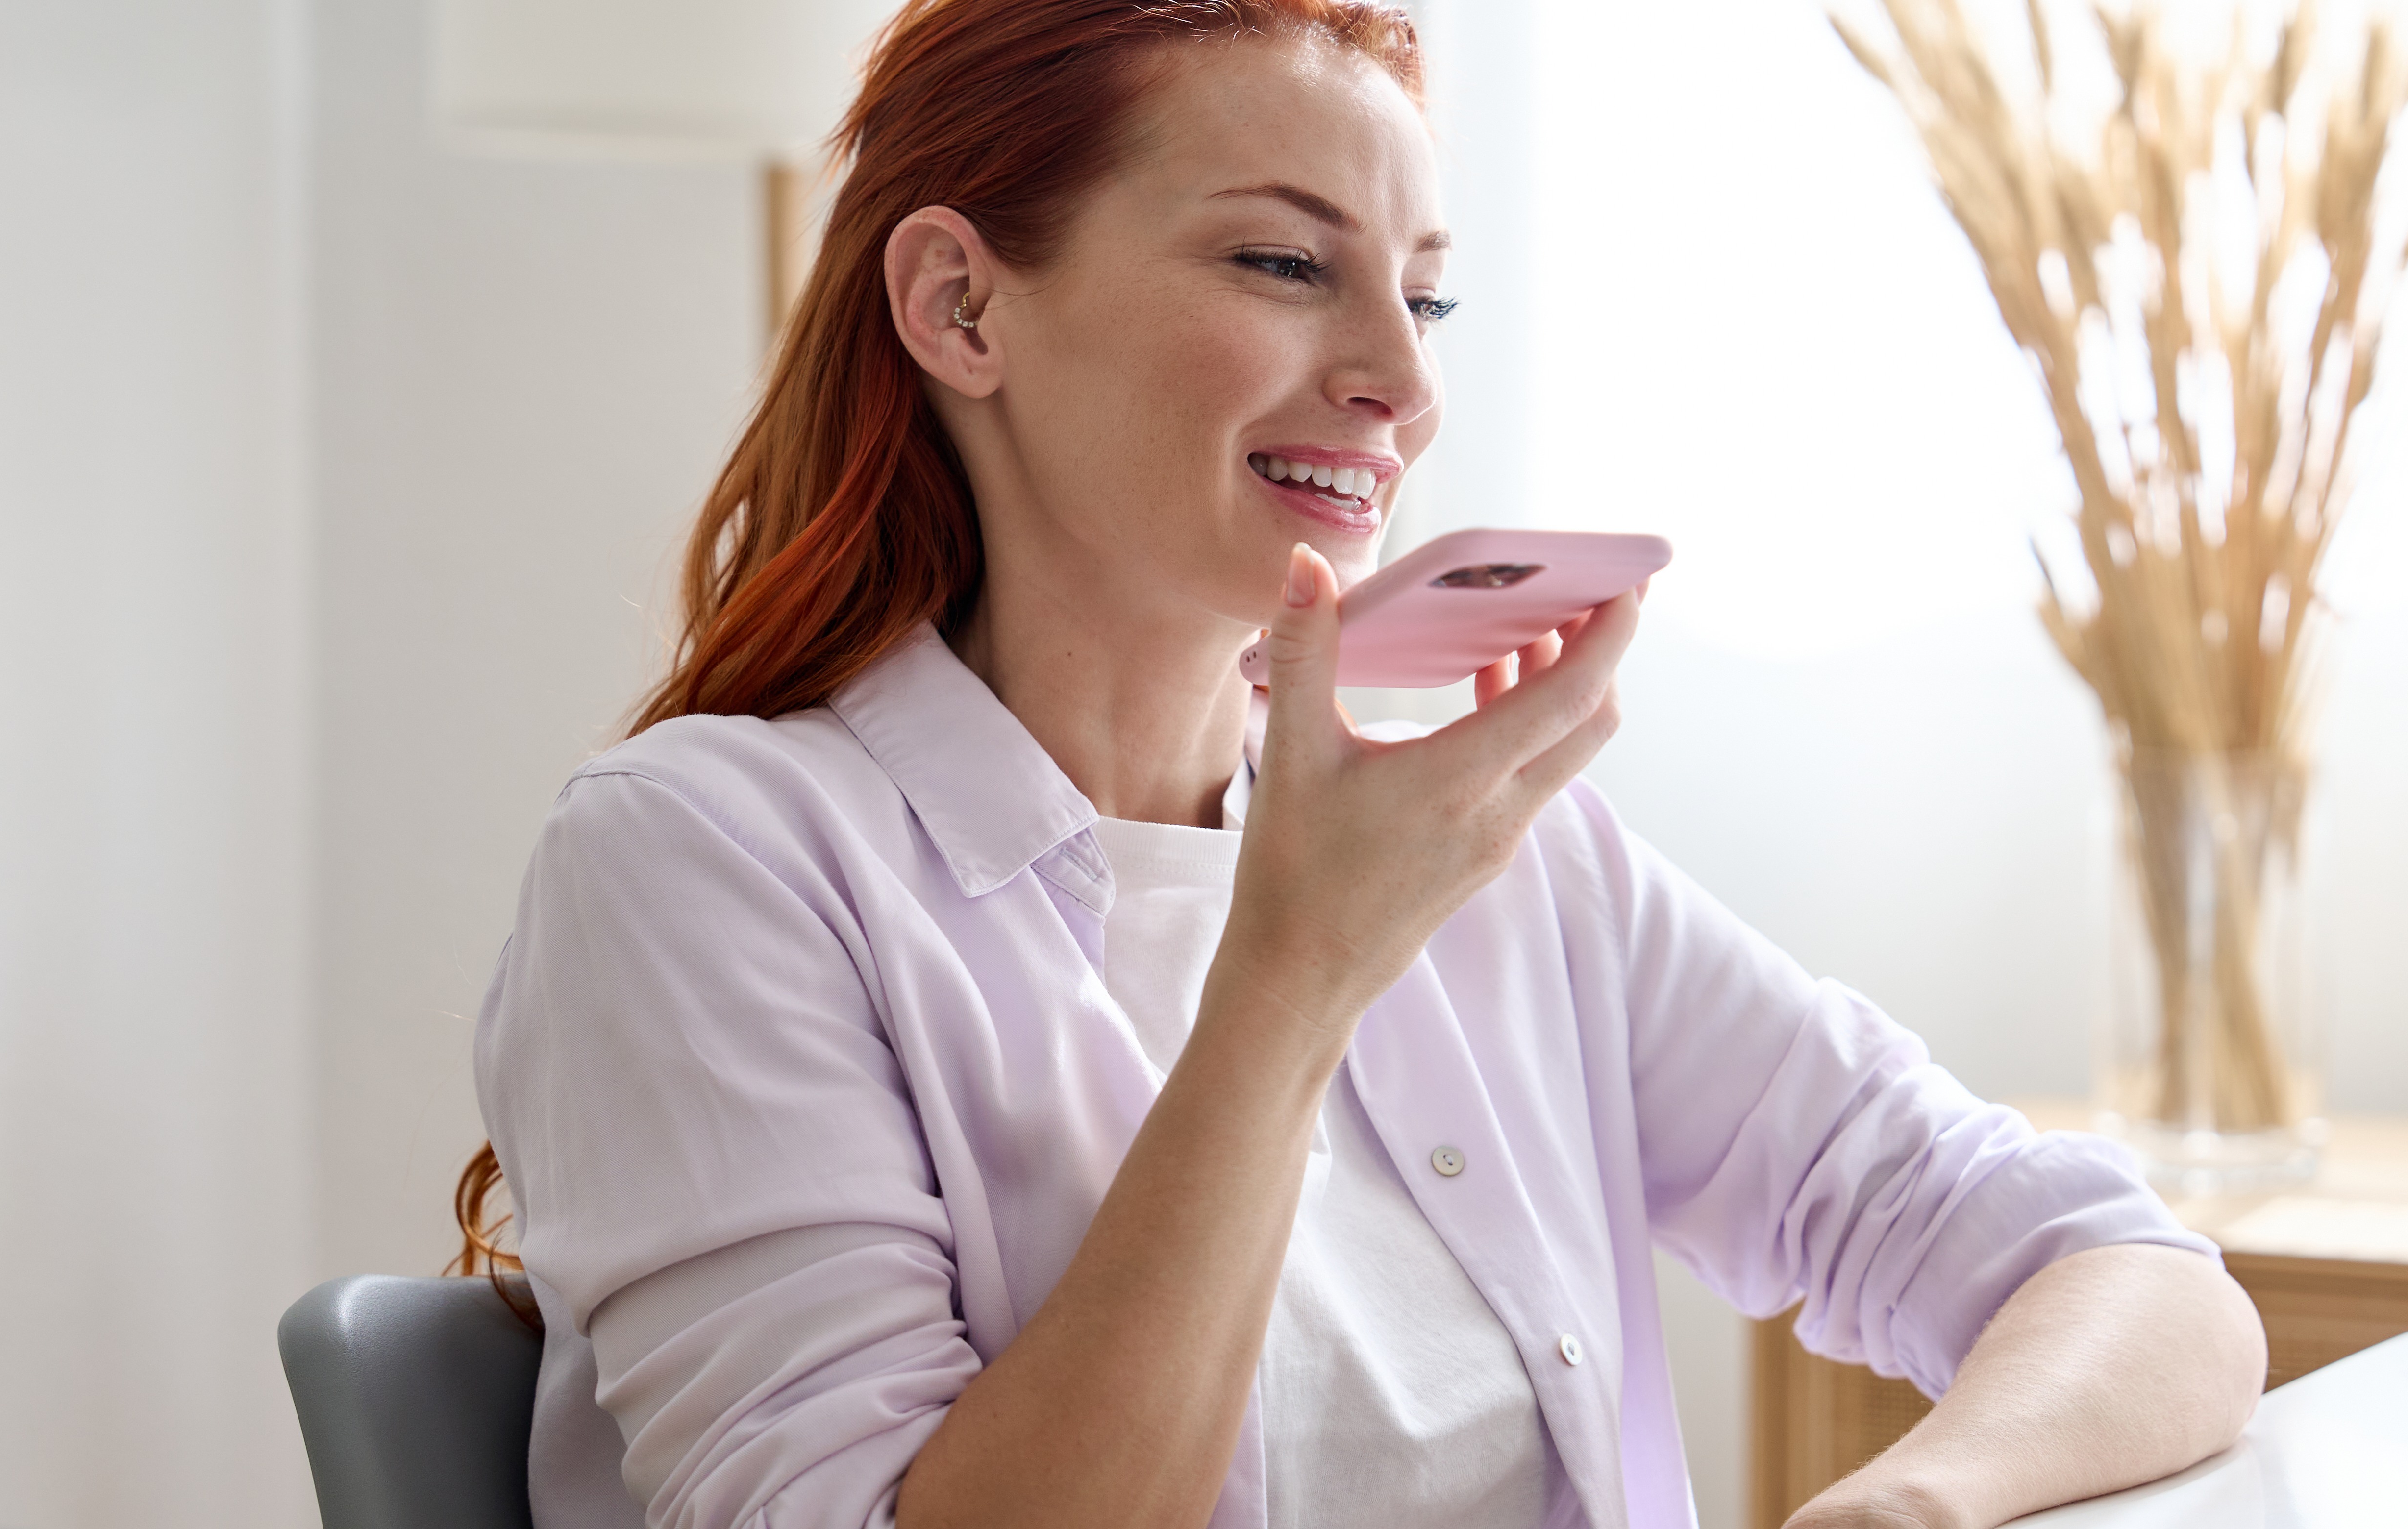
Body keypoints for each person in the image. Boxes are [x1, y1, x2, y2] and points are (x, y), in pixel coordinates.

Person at [463, 2, 2267, 1526]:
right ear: (958, 306)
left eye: (1428, 299)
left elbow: (2128, 1278)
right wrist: (1295, 967)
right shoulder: (704, 863)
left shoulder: (1492, 851)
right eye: (1282, 264)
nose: (1403, 382)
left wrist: (1910, 1507)